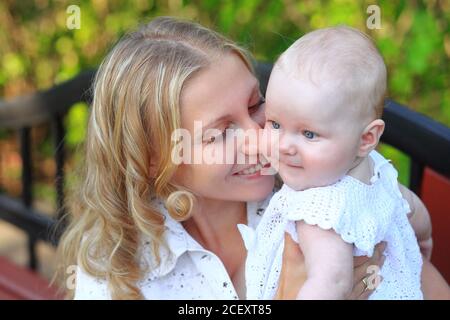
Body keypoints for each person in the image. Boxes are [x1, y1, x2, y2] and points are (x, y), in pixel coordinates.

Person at [55, 17, 449, 300]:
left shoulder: (319, 189)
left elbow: (421, 274)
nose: (261, 139)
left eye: (257, 105)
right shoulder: (121, 267)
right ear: (154, 159)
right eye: (221, 132)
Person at [241, 26, 432, 300]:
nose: (283, 145)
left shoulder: (319, 209)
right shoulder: (374, 171)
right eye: (275, 124)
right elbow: (412, 208)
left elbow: (332, 282)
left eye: (309, 134)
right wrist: (423, 241)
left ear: (366, 138)